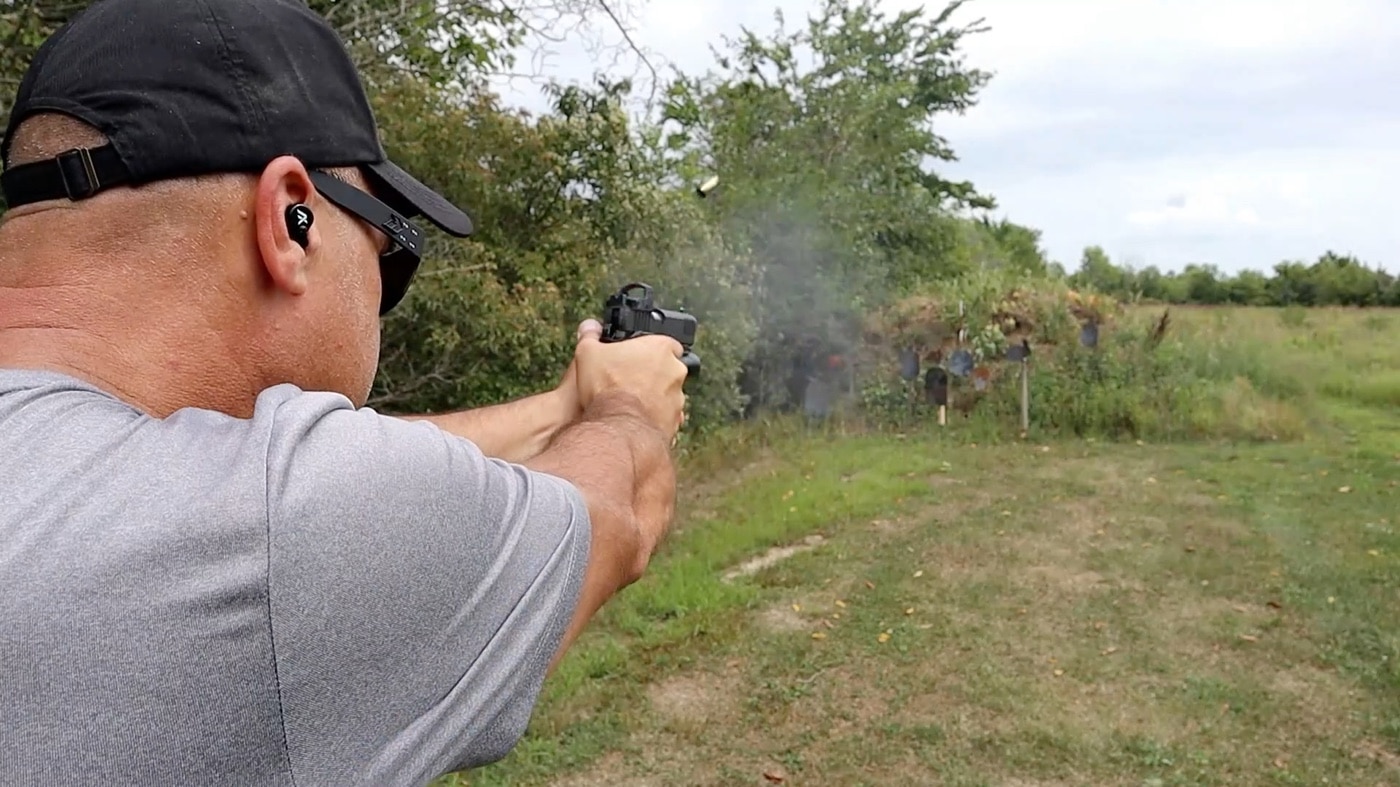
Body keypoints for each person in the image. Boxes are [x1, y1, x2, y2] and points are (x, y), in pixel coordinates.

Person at [0, 1, 688, 785]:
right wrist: (628, 406)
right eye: (389, 248)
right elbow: (617, 519)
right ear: (290, 221)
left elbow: (270, 468)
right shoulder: (273, 536)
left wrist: (563, 407)